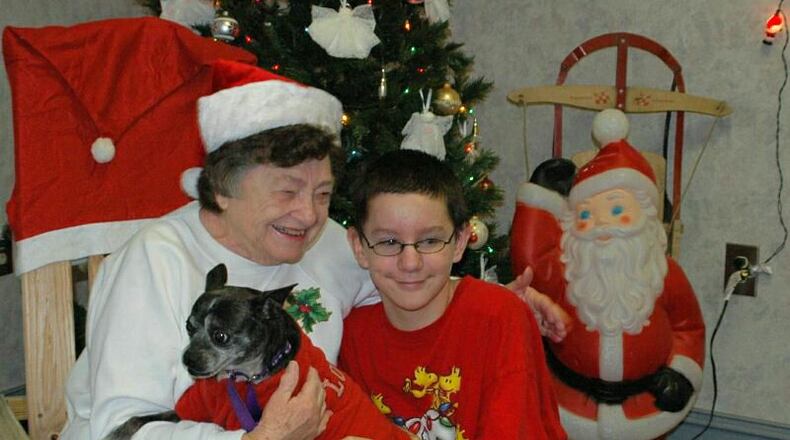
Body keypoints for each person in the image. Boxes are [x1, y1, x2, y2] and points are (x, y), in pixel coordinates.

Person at [61, 60, 370, 440]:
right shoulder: (156, 260)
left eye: (322, 194)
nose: (308, 214)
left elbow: (417, 280)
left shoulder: (331, 245)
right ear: (222, 189)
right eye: (287, 191)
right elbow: (120, 430)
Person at [338, 149, 567, 439]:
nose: (410, 263)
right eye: (389, 242)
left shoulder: (498, 317)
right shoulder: (351, 333)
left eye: (430, 240)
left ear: (459, 242)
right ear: (359, 247)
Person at [510, 109, 706, 440]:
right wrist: (540, 201)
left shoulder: (664, 273)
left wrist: (682, 373)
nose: (601, 224)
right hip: (572, 404)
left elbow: (689, 327)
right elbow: (531, 263)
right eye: (586, 215)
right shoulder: (569, 270)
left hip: (644, 408)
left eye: (617, 211)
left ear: (644, 216)